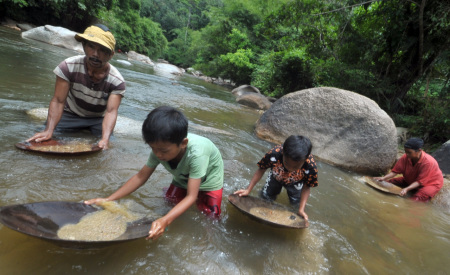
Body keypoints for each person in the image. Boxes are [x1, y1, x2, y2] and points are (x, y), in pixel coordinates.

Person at [85, 106, 224, 240]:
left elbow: (191, 196)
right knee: (170, 202)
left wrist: (165, 220)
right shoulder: (160, 149)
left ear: (183, 143)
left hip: (209, 181)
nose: (158, 154)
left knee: (211, 218)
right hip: (182, 176)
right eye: (153, 148)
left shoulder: (197, 155)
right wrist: (109, 199)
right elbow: (140, 177)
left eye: (163, 151)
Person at [27, 24, 126, 149]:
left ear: (110, 55)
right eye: (91, 46)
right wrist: (49, 130)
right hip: (70, 114)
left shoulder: (117, 81)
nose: (95, 54)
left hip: (97, 119)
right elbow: (58, 101)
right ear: (84, 46)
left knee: (108, 145)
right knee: (42, 135)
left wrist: (105, 139)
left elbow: (111, 112)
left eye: (102, 50)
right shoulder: (68, 67)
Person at [234, 135, 318, 220]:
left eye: (296, 167)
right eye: (287, 163)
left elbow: (307, 187)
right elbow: (261, 169)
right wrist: (248, 190)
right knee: (265, 197)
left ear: (305, 160)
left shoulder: (310, 166)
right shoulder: (275, 153)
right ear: (283, 153)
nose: (290, 169)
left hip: (296, 182)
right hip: (276, 176)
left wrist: (301, 209)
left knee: (296, 204)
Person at [374, 137, 443, 202]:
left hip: (430, 183)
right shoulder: (406, 157)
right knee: (390, 182)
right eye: (405, 152)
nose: (406, 154)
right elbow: (395, 171)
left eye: (409, 152)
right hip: (412, 179)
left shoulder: (428, 162)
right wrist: (383, 178)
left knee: (415, 199)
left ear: (419, 151)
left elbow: (420, 182)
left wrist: (407, 189)